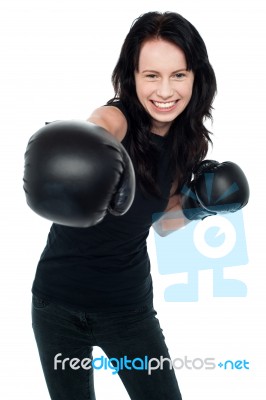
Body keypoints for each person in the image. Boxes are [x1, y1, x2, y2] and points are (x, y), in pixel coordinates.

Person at [23, 11, 249, 400]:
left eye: (178, 74)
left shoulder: (189, 144)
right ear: (133, 77)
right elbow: (101, 124)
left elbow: (162, 222)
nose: (165, 91)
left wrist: (200, 206)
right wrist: (88, 144)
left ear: (197, 77)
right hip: (55, 305)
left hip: (128, 311)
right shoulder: (117, 119)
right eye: (151, 75)